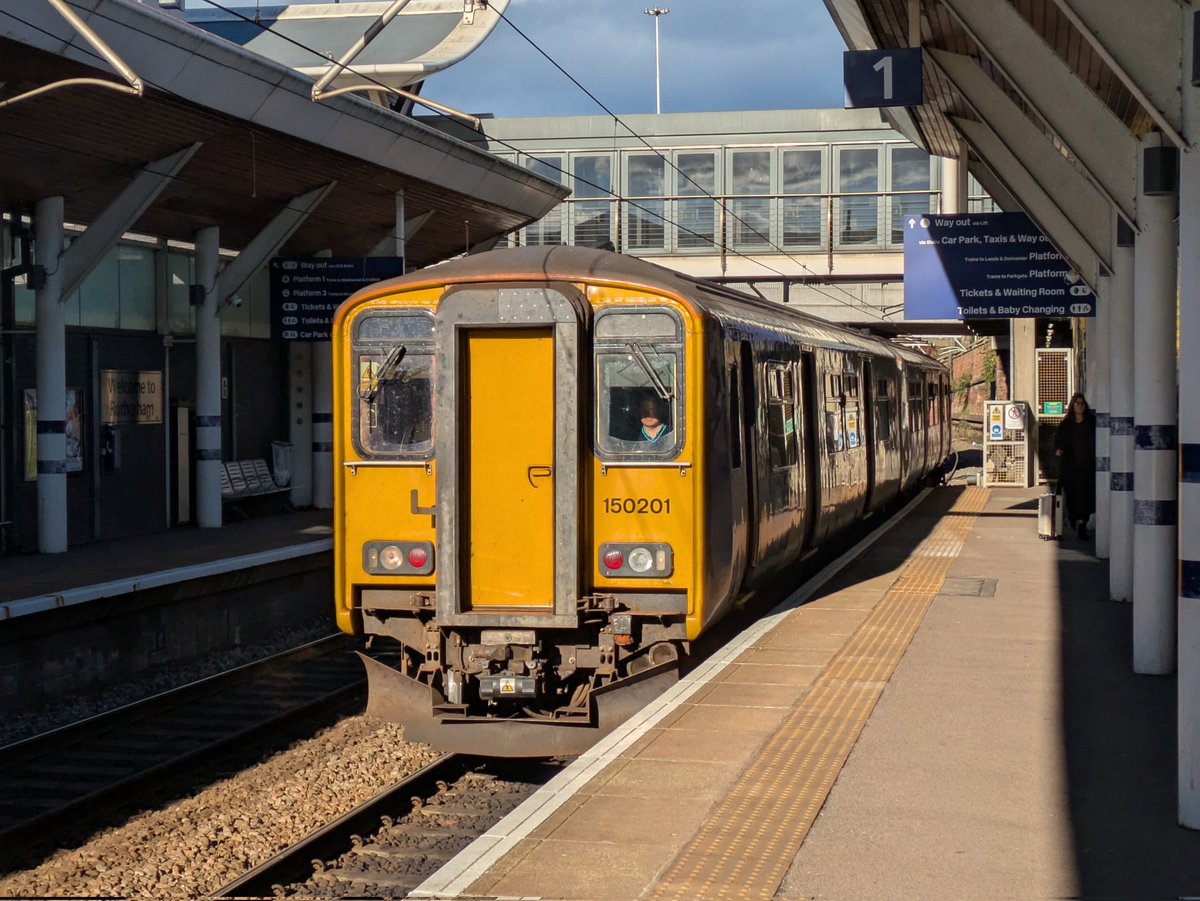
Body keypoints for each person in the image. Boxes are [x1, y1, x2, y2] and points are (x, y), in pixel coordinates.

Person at [1054, 392, 1096, 539]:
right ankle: (1073, 519)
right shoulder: (1066, 425)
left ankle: (1082, 525)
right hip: (1070, 468)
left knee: (1086, 498)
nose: (1080, 406)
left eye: (1082, 403)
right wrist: (1059, 450)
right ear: (1073, 406)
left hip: (1087, 467)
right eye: (1077, 403)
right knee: (1072, 497)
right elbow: (1058, 441)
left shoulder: (1091, 422)